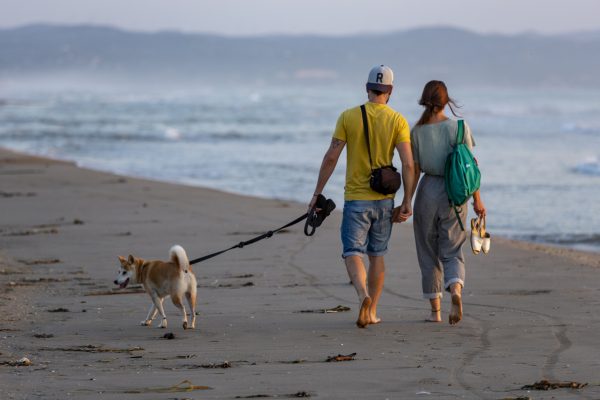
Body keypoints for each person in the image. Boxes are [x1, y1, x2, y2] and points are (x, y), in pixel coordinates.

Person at [309, 65, 415, 328]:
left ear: (367, 88)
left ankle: (362, 295)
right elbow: (409, 164)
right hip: (385, 199)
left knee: (352, 251)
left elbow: (331, 156)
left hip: (356, 198)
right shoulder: (398, 120)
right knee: (377, 255)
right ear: (390, 91)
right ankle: (373, 312)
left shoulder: (348, 117)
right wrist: (407, 201)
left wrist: (317, 193)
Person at [397, 80, 486, 325]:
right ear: (446, 101)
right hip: (455, 193)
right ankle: (455, 290)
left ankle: (435, 312)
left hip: (427, 189)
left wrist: (407, 201)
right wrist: (477, 200)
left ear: (424, 100)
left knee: (427, 250)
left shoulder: (415, 131)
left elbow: (412, 169)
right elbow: (470, 166)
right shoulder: (459, 127)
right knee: (453, 248)